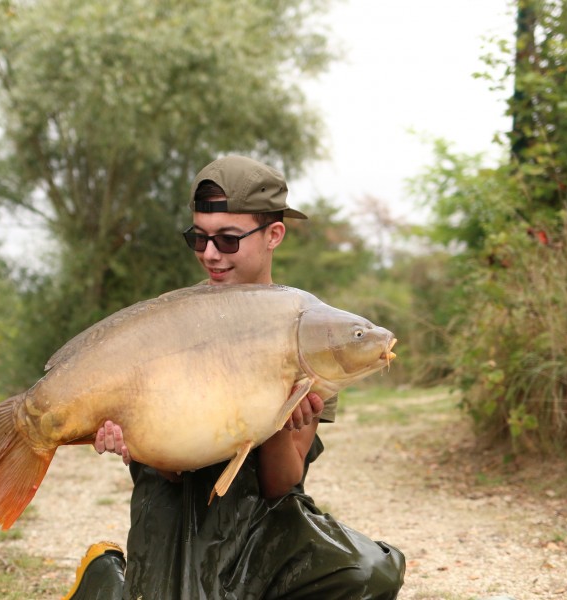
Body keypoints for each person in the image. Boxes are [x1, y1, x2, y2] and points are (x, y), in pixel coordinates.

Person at [63, 155, 405, 599]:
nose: (209, 254)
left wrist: (281, 423)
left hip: (259, 517)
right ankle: (105, 578)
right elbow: (167, 472)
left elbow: (280, 484)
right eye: (199, 238)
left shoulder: (312, 332)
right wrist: (131, 442)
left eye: (227, 239)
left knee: (365, 575)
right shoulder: (170, 322)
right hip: (175, 505)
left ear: (273, 235)